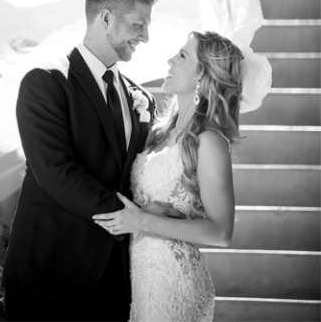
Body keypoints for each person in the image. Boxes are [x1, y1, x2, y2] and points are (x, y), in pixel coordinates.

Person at [3, 0, 183, 321]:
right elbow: (55, 171)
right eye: (138, 24)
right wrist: (138, 217)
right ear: (105, 18)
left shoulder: (139, 96)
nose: (145, 36)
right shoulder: (46, 81)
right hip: (49, 275)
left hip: (115, 281)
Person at [93, 31, 270, 321]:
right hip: (140, 275)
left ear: (202, 75)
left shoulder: (209, 140)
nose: (170, 60)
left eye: (182, 56)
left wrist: (143, 220)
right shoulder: (161, 133)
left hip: (173, 280)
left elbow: (221, 233)